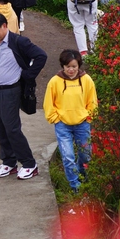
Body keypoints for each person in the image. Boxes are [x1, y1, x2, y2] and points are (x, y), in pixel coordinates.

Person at [0, 13, 47, 180]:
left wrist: (27, 75)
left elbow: (41, 56)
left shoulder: (18, 42)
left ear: (4, 26)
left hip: (10, 91)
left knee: (12, 129)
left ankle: (29, 164)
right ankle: (9, 162)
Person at [43, 50, 98, 192]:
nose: (71, 70)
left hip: (82, 124)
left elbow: (92, 101)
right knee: (68, 157)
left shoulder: (86, 80)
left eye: (74, 66)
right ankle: (76, 187)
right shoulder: (55, 82)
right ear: (63, 66)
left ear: (79, 65)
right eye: (68, 66)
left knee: (86, 155)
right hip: (63, 125)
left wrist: (89, 116)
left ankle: (82, 176)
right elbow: (48, 103)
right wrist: (55, 119)